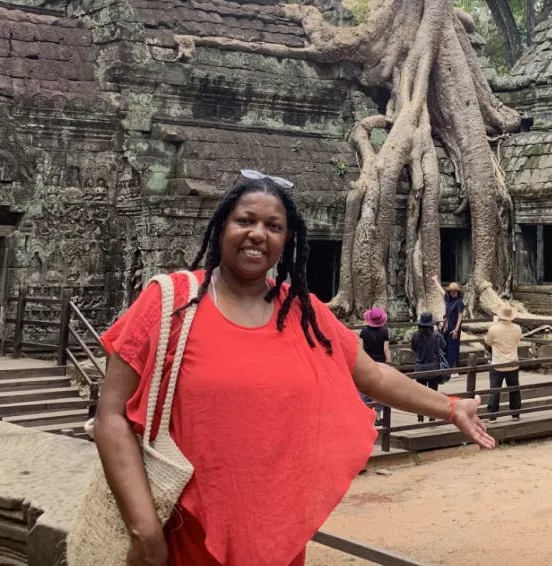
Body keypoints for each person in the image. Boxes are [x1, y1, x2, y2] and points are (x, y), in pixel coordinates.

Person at [95, 171, 494, 566]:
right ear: (221, 227)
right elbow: (110, 414)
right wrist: (144, 532)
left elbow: (373, 376)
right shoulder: (171, 302)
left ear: (286, 240)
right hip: (184, 533)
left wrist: (451, 407)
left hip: (274, 532)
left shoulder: (304, 313)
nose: (257, 234)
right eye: (245, 220)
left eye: (273, 226)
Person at [485, 304, 522, 420]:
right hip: (513, 363)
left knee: (495, 391)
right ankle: (515, 414)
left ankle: (493, 416)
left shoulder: (494, 329)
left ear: (499, 315)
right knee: (514, 389)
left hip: (498, 364)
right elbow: (517, 340)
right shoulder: (517, 328)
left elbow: (488, 341)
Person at [410, 311, 446, 422]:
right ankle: (432, 416)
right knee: (433, 393)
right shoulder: (436, 336)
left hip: (420, 367)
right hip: (433, 367)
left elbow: (413, 348)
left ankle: (420, 417)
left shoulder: (415, 335)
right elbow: (443, 346)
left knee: (420, 394)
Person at [359, 306, 391, 423]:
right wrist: (389, 362)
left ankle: (365, 412)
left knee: (364, 387)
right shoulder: (384, 331)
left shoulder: (364, 331)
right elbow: (386, 349)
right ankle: (377, 414)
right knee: (379, 388)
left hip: (367, 361)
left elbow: (360, 348)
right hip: (380, 363)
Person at [432, 275, 464, 374]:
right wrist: (435, 280)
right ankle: (447, 369)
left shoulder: (459, 302)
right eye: (451, 291)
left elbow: (460, 316)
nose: (453, 293)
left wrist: (456, 330)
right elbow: (441, 291)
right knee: (446, 347)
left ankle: (454, 370)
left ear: (458, 292)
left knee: (453, 348)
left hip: (454, 328)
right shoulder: (449, 299)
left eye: (455, 291)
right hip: (447, 327)